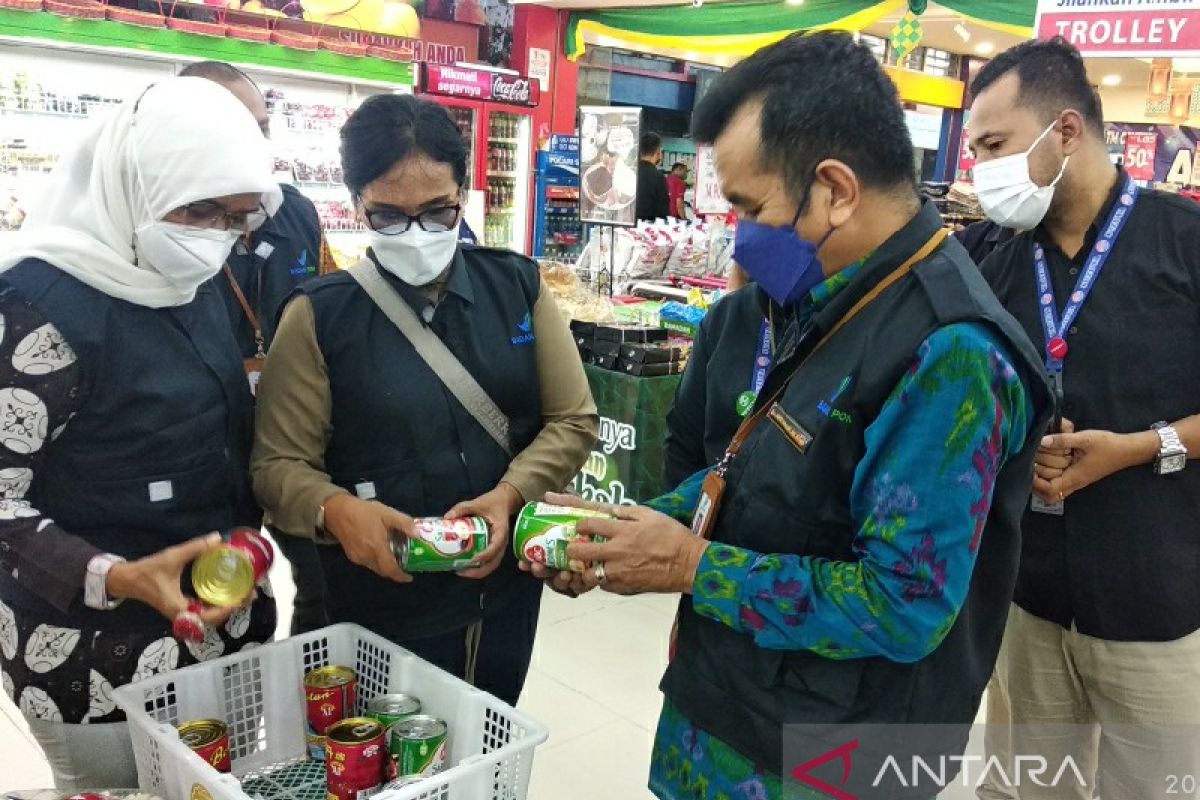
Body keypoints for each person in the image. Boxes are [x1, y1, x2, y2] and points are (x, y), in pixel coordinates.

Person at [529, 32, 1053, 799]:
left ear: (836, 188)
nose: (740, 231)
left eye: (750, 204)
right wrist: (625, 536)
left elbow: (902, 604)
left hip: (833, 755)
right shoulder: (822, 294)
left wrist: (689, 564)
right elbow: (750, 474)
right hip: (722, 704)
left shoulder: (953, 353)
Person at [250, 94, 598, 707]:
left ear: (465, 193)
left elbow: (572, 420)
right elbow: (277, 466)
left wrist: (511, 494)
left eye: (438, 213)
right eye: (388, 216)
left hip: (502, 596)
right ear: (356, 203)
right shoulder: (318, 315)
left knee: (488, 748)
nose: (415, 234)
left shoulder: (516, 285)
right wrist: (333, 510)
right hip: (373, 605)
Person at [0, 77, 279, 789]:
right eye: (198, 210)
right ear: (133, 184)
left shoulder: (195, 279)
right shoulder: (37, 307)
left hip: (220, 629)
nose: (214, 236)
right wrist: (119, 576)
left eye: (236, 218)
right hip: (93, 654)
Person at [969, 37, 1200, 799]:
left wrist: (1141, 447)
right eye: (975, 151)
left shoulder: (1184, 244)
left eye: (995, 145)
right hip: (1024, 596)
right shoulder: (988, 260)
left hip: (1155, 603)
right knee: (1026, 787)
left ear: (1065, 131)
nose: (983, 170)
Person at [180, 60, 335, 637]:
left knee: (317, 585)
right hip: (204, 449)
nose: (258, 144)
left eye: (264, 127)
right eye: (238, 128)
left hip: (294, 434)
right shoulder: (157, 224)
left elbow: (324, 294)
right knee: (221, 590)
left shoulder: (294, 211)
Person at [636, 132, 670, 222]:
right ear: (658, 152)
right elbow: (662, 211)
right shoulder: (657, 177)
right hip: (648, 228)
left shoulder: (630, 171)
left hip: (626, 227)